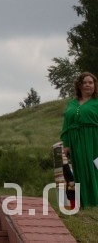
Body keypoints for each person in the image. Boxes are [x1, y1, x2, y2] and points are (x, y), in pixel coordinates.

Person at [61, 71, 98, 208]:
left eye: (91, 82)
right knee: (78, 170)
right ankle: (81, 203)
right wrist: (66, 144)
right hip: (75, 142)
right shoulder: (72, 103)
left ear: (95, 85)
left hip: (94, 140)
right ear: (80, 85)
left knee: (94, 169)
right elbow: (66, 125)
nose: (88, 85)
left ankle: (95, 202)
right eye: (85, 82)